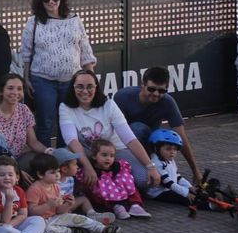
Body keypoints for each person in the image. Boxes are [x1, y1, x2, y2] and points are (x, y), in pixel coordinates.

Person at [58, 69, 161, 199]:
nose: (85, 91)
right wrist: (88, 166)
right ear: (72, 88)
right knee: (65, 163)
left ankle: (116, 189)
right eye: (79, 86)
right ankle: (103, 192)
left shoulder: (109, 105)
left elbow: (129, 138)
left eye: (90, 86)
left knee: (144, 180)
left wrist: (150, 166)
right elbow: (72, 141)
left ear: (96, 87)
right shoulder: (65, 107)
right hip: (86, 151)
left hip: (114, 150)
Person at [20, 0, 96, 147]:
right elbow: (26, 53)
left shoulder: (74, 20)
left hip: (71, 81)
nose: (51, 1)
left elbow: (85, 50)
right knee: (45, 122)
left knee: (67, 122)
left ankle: (65, 162)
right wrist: (26, 78)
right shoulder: (33, 22)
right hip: (42, 80)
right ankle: (45, 164)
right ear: (40, 1)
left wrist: (91, 79)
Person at [114, 66, 202, 184]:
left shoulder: (168, 102)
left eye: (161, 91)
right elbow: (114, 130)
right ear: (142, 84)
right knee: (137, 128)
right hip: (123, 144)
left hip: (150, 147)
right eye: (151, 89)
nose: (155, 94)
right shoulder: (123, 96)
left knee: (144, 181)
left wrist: (196, 171)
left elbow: (181, 137)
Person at [24, 153, 118, 233]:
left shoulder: (55, 186)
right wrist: (48, 205)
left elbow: (59, 211)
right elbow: (31, 212)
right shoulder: (34, 189)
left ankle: (103, 229)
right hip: (41, 222)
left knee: (78, 218)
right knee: (49, 231)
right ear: (40, 174)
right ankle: (71, 231)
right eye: (52, 172)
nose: (57, 174)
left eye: (57, 171)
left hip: (55, 216)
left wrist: (68, 204)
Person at [0, 74, 51, 177]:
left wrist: (49, 152)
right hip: (2, 164)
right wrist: (16, 171)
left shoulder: (24, 110)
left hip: (22, 158)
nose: (15, 92)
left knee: (43, 161)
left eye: (19, 89)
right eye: (10, 88)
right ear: (1, 92)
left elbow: (33, 142)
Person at [81, 138, 150, 220]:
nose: (108, 158)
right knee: (100, 191)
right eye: (104, 155)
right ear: (94, 156)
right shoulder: (91, 169)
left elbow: (125, 176)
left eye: (111, 156)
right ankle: (117, 207)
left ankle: (135, 205)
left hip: (118, 188)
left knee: (130, 184)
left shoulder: (117, 165)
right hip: (105, 193)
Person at [50, 147, 115, 224]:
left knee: (83, 199)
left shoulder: (70, 179)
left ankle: (92, 214)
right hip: (54, 208)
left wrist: (69, 203)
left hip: (67, 205)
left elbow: (69, 195)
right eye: (75, 164)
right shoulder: (53, 183)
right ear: (64, 169)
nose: (77, 167)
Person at [147, 128, 196, 204]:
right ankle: (210, 205)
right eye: (168, 149)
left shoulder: (170, 159)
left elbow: (177, 176)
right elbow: (168, 183)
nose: (172, 152)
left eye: (175, 149)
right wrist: (186, 193)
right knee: (191, 199)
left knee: (195, 192)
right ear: (156, 148)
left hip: (170, 188)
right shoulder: (156, 163)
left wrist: (190, 187)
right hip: (159, 192)